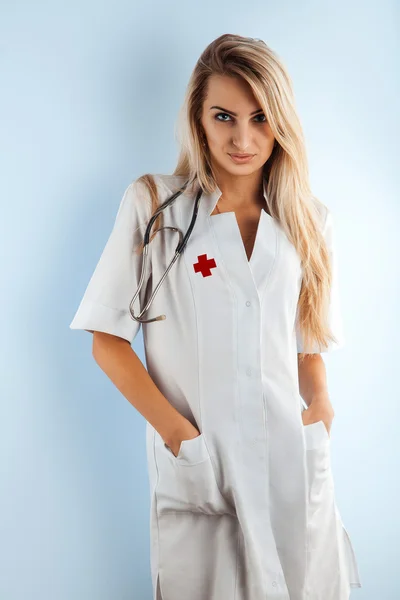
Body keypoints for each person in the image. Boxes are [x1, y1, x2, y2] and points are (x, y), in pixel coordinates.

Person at [70, 33, 362, 600]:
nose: (243, 138)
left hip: (292, 464)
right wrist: (180, 437)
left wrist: (321, 407)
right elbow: (106, 339)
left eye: (260, 117)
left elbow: (307, 345)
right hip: (202, 468)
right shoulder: (156, 206)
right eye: (224, 116)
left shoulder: (309, 222)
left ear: (281, 121)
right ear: (198, 118)